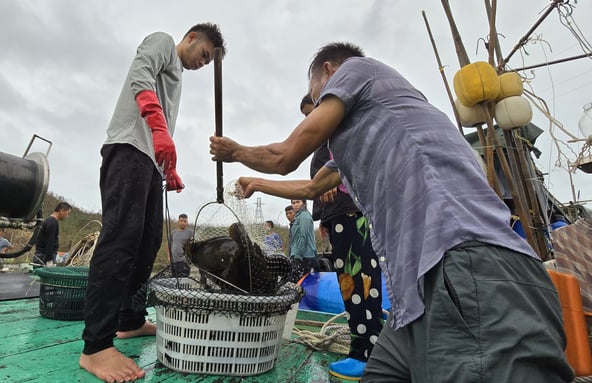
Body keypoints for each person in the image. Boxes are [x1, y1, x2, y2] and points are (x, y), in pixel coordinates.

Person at [210, 42, 573, 382]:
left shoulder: (357, 69)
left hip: (468, 266)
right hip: (412, 298)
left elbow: (286, 155)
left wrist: (237, 151)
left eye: (319, 98)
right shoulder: (368, 130)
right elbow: (309, 188)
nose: (319, 108)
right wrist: (256, 182)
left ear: (329, 70)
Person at [80, 23, 226, 383]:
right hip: (127, 148)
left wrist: (168, 168)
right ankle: (96, 346)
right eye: (204, 55)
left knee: (146, 246)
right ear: (191, 38)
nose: (201, 63)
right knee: (121, 240)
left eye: (208, 63)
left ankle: (129, 320)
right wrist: (159, 130)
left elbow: (162, 134)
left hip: (148, 163)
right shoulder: (162, 43)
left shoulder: (177, 79)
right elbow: (139, 73)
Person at [301, 94, 383, 381]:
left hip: (353, 217)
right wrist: (324, 216)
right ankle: (373, 345)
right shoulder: (325, 145)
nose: (312, 120)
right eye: (307, 116)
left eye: (315, 112)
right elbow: (320, 189)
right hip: (340, 220)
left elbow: (329, 180)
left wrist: (328, 184)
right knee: (358, 281)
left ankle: (365, 353)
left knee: (356, 283)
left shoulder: (341, 140)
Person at [289, 199, 318, 272]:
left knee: (302, 282)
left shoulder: (304, 216)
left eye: (298, 202)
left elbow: (303, 236)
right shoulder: (298, 217)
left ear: (304, 203)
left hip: (305, 256)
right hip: (298, 255)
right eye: (293, 203)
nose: (295, 205)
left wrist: (298, 256)